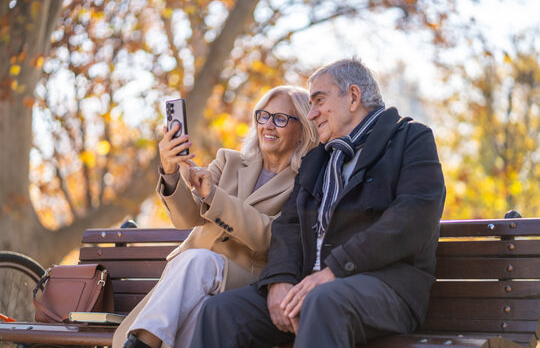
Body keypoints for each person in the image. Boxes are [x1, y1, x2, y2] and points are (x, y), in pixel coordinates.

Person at [190, 58, 446, 347]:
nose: (311, 114)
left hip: (388, 287)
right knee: (222, 311)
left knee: (322, 301)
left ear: (353, 97)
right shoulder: (318, 159)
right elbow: (289, 226)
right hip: (312, 287)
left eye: (319, 100)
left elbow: (412, 220)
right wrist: (278, 281)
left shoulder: (410, 139)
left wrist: (336, 269)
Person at [113, 85, 318, 348]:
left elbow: (272, 237)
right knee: (200, 311)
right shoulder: (229, 161)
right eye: (264, 116)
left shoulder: (302, 183)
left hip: (245, 279)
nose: (268, 125)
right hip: (191, 281)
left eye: (280, 119)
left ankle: (140, 344)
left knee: (199, 262)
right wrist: (170, 171)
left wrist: (214, 197)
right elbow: (187, 220)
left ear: (302, 129)